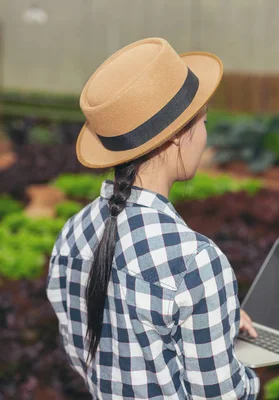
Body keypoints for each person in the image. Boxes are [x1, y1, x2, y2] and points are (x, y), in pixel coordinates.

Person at [46, 37, 260, 399]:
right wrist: (245, 369)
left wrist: (215, 319)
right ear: (179, 136)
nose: (205, 137)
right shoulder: (194, 262)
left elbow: (83, 353)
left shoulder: (73, 233)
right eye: (204, 122)